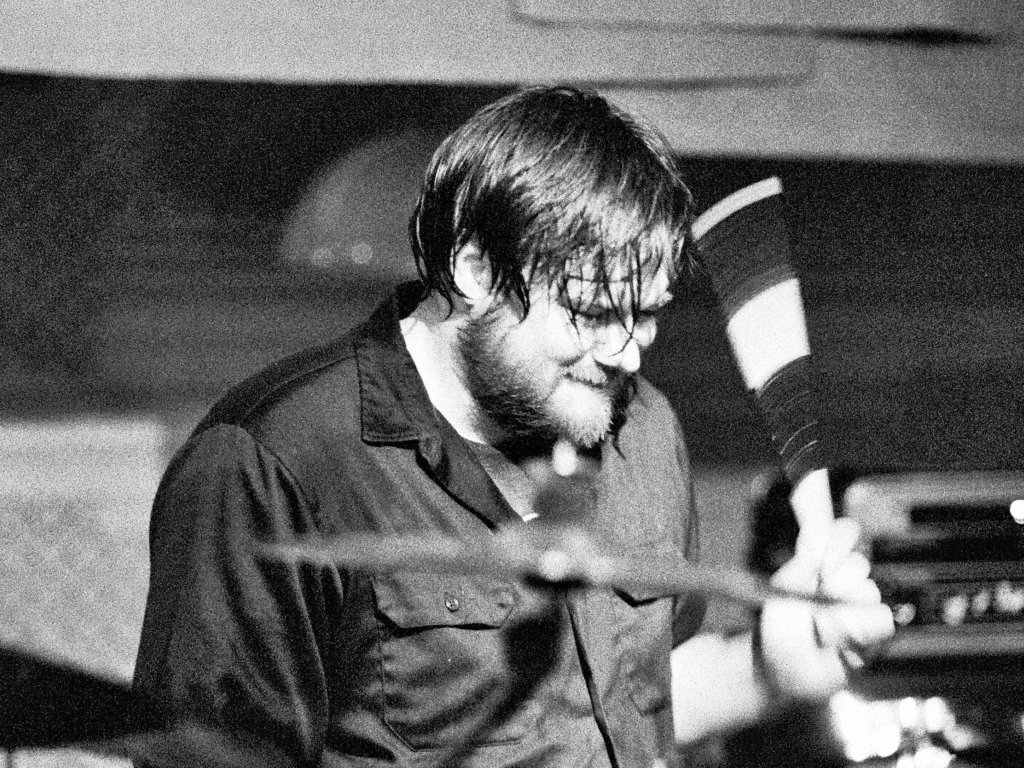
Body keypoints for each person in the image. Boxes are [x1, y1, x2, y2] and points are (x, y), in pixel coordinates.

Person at [133, 86, 894, 767]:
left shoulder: (644, 427)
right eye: (592, 313)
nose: (626, 352)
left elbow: (632, 709)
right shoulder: (268, 464)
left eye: (646, 315)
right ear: (474, 271)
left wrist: (766, 667)